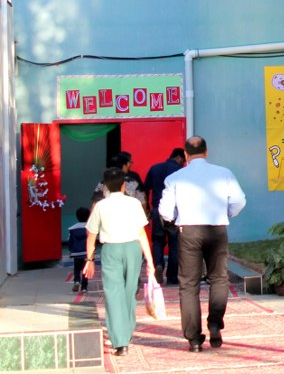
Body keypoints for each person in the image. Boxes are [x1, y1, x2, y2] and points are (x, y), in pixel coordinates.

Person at [159, 136, 246, 353]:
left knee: (189, 285)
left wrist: (176, 218)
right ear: (206, 152)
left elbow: (165, 211)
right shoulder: (224, 173)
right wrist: (226, 213)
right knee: (219, 278)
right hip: (217, 229)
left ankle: (194, 339)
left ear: (185, 155)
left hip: (188, 231)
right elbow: (239, 201)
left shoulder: (174, 178)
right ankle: (215, 322)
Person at [83, 168, 157, 357]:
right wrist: (150, 261)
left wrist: (89, 260)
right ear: (124, 185)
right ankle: (127, 333)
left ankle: (120, 342)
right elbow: (141, 234)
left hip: (111, 250)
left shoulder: (100, 206)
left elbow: (91, 235)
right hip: (132, 249)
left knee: (113, 294)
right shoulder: (134, 203)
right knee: (129, 292)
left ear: (105, 186)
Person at [146, 148, 186, 285]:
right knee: (174, 244)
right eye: (183, 161)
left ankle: (158, 265)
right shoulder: (179, 171)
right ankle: (172, 277)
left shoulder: (154, 168)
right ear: (179, 157)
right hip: (174, 212)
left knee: (158, 241)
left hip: (157, 210)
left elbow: (146, 189)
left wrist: (148, 208)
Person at [68, 207, 91, 292]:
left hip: (76, 252)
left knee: (77, 268)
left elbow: (70, 241)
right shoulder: (89, 227)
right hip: (86, 252)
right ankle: (84, 287)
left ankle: (77, 281)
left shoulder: (72, 229)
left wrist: (71, 250)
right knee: (86, 269)